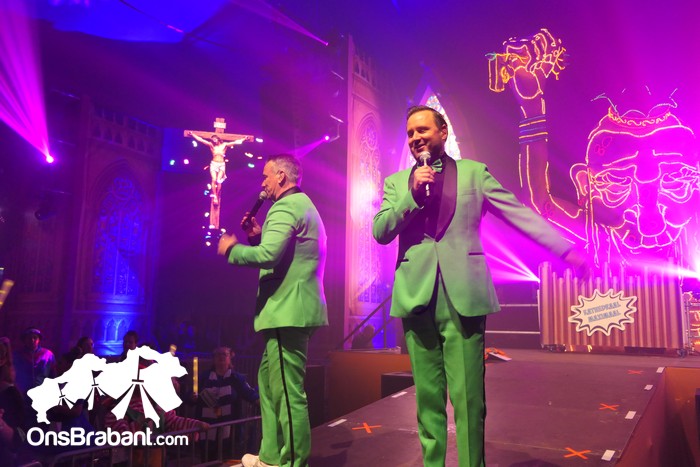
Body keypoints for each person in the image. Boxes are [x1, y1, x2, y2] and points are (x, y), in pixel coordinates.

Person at [372, 105, 588, 467]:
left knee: (469, 398)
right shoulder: (397, 183)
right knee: (427, 399)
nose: (415, 138)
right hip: (416, 296)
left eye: (423, 130)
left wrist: (565, 250)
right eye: (410, 133)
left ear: (443, 132)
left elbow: (517, 213)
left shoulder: (474, 174)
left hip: (464, 297)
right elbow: (380, 232)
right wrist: (412, 195)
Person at [217, 154, 328, 467]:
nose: (263, 182)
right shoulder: (303, 205)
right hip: (293, 309)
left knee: (288, 394)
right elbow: (285, 256)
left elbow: (268, 256)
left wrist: (232, 250)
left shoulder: (284, 206)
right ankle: (270, 457)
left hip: (286, 310)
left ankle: (293, 462)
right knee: (267, 384)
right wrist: (257, 236)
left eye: (266, 176)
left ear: (281, 176)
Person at [193, 346, 259, 459]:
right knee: (207, 459)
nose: (221, 357)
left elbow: (250, 394)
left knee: (226, 459)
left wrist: (263, 404)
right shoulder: (204, 378)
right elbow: (191, 397)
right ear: (214, 359)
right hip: (207, 428)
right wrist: (191, 397)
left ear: (230, 358)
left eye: (224, 354)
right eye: (218, 354)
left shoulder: (236, 378)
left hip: (229, 430)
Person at [185, 131, 247, 206]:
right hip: (214, 164)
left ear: (218, 139)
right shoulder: (211, 145)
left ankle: (217, 195)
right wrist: (192, 134)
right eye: (213, 140)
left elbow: (235, 142)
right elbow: (201, 140)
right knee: (214, 179)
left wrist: (244, 139)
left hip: (221, 164)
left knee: (219, 180)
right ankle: (215, 196)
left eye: (215, 139)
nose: (214, 141)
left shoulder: (224, 145)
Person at [12, 327, 57, 396]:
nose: (32, 340)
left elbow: (53, 374)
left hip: (41, 394)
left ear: (39, 340)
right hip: (21, 394)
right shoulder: (16, 354)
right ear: (24, 339)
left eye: (35, 337)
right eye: (29, 338)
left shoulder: (48, 354)